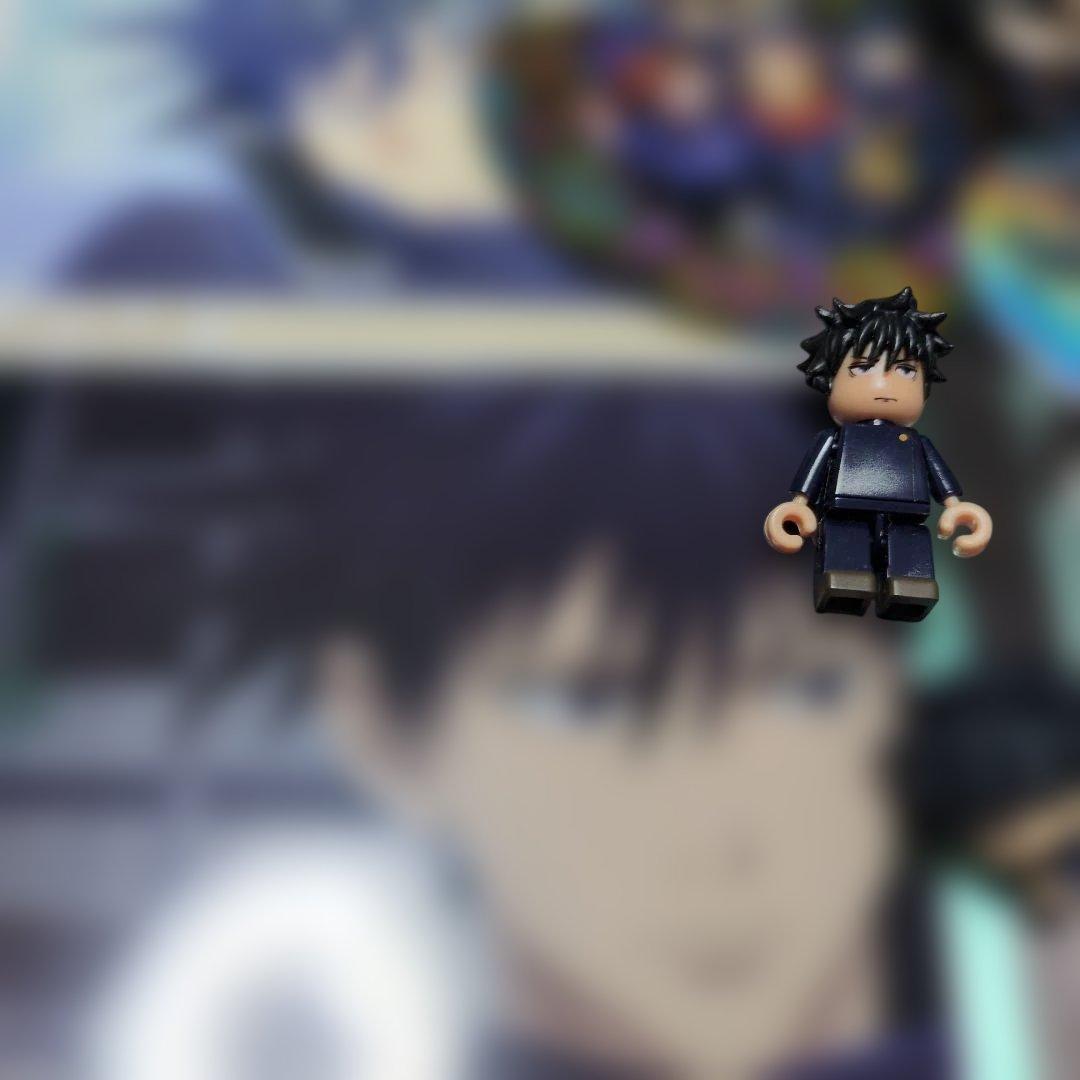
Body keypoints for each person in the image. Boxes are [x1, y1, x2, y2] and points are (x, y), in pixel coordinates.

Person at [764, 288, 993, 622]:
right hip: (845, 512)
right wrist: (798, 505)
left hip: (907, 516)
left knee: (910, 549)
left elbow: (939, 477)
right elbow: (812, 473)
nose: (885, 384)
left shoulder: (915, 442)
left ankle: (910, 589)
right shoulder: (836, 439)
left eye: (905, 370)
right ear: (829, 380)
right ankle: (845, 583)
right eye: (863, 367)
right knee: (846, 547)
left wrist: (956, 506)